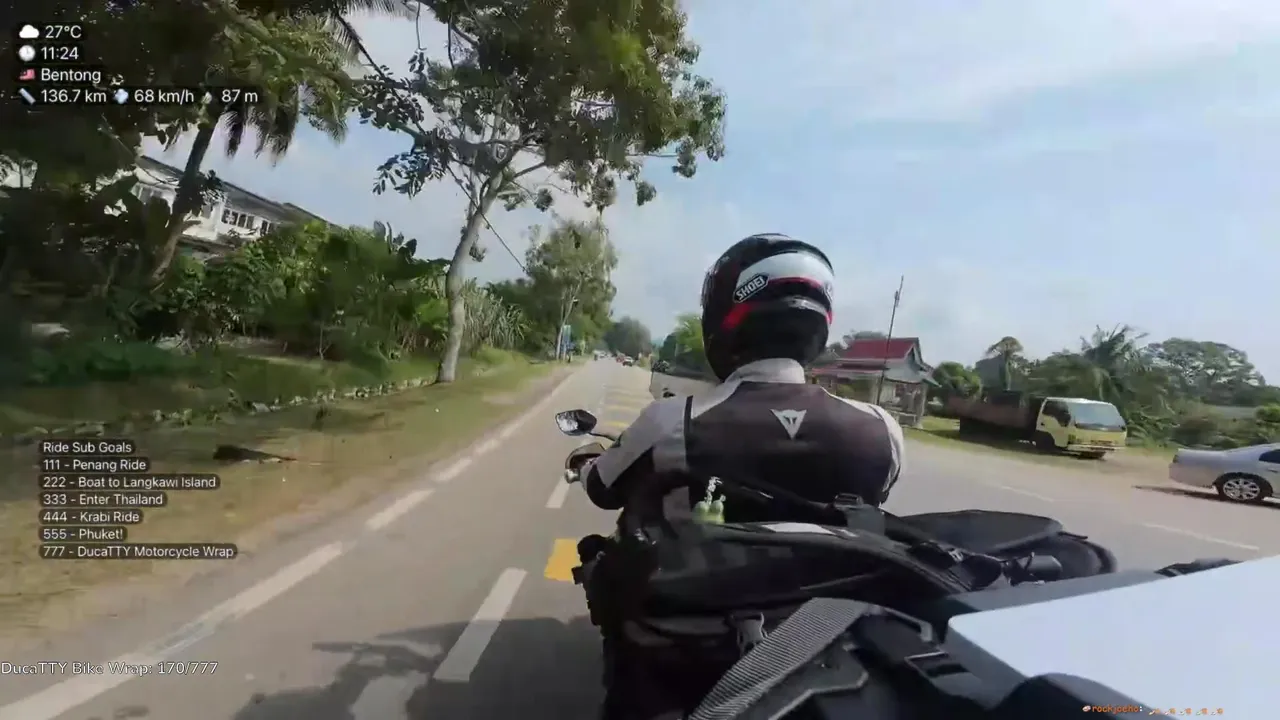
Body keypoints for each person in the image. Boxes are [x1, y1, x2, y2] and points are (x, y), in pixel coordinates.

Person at [581, 233, 905, 519]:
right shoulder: (883, 432)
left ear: (721, 316)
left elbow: (602, 489)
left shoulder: (673, 422)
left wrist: (583, 463)